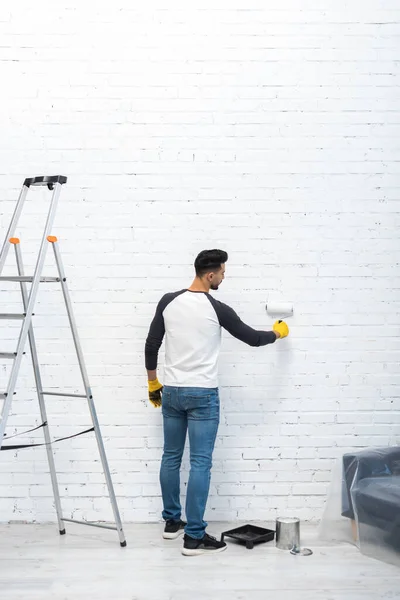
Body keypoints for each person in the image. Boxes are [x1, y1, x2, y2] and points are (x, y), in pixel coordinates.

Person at [145, 249, 289, 556]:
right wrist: (276, 333)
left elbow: (151, 344)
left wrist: (152, 383)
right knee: (200, 463)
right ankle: (194, 537)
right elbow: (251, 337)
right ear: (209, 275)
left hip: (171, 392)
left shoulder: (168, 301)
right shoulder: (216, 307)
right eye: (222, 272)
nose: (224, 276)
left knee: (170, 456)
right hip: (202, 396)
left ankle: (172, 523)